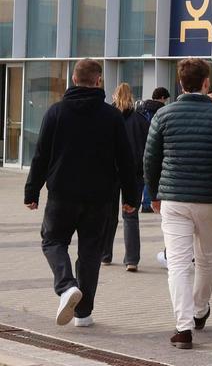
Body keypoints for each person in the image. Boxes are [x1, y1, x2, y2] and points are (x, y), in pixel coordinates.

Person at [23, 59, 139, 328]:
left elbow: (41, 155)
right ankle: (83, 314)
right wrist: (131, 198)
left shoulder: (56, 112)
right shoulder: (111, 116)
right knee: (90, 253)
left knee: (52, 241)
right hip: (100, 199)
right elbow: (126, 160)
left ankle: (66, 286)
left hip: (62, 193)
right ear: (98, 81)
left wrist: (32, 191)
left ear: (74, 79)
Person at [143, 58, 212, 349]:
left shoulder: (164, 115)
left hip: (174, 198)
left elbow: (150, 158)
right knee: (206, 258)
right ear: (206, 83)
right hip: (210, 199)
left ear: (180, 83)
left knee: (179, 265)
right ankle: (199, 310)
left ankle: (183, 327)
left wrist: (155, 193)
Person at [103, 82, 147, 271]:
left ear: (114, 96)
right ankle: (132, 259)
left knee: (108, 216)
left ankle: (105, 254)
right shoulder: (141, 120)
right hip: (135, 174)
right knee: (131, 216)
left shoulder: (106, 117)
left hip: (110, 173)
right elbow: (148, 149)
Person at [136, 87, 171, 213]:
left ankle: (144, 203)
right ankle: (147, 202)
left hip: (142, 145)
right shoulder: (161, 111)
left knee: (146, 173)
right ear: (162, 98)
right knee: (153, 174)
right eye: (166, 99)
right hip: (155, 145)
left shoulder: (142, 108)